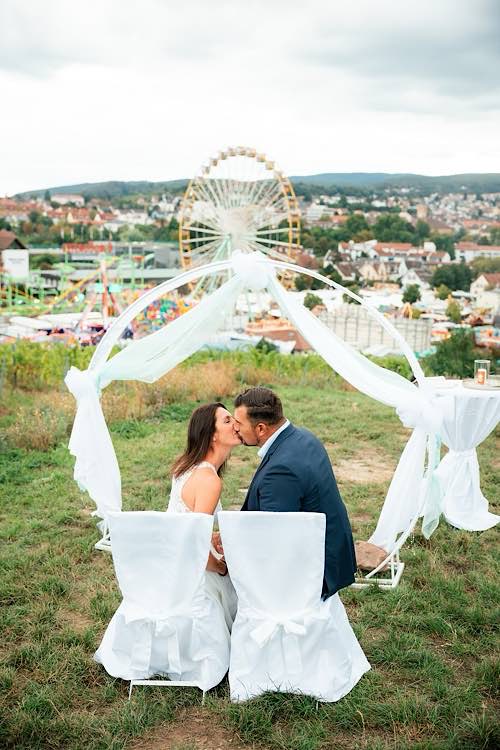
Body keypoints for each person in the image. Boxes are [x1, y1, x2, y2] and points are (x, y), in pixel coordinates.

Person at [232, 386, 357, 597]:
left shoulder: (281, 471)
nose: (235, 428)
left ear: (261, 429)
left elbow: (275, 538)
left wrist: (233, 546)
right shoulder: (302, 436)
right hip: (333, 553)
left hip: (314, 572)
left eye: (239, 423)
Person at [167, 402, 240, 630]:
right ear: (212, 436)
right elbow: (193, 541)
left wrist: (212, 535)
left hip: (170, 559)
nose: (236, 425)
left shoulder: (186, 466)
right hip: (191, 569)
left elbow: (185, 520)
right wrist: (219, 567)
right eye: (228, 421)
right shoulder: (209, 480)